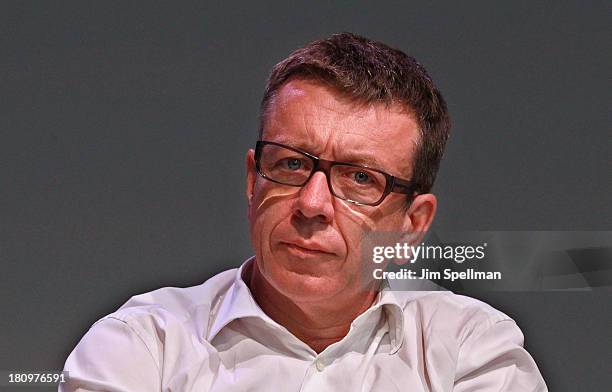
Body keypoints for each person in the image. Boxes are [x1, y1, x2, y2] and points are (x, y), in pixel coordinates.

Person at [61, 32, 547, 391]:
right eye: (292, 164)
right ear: (254, 180)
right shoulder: (142, 347)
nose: (312, 204)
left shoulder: (472, 350)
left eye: (360, 178)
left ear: (411, 225)